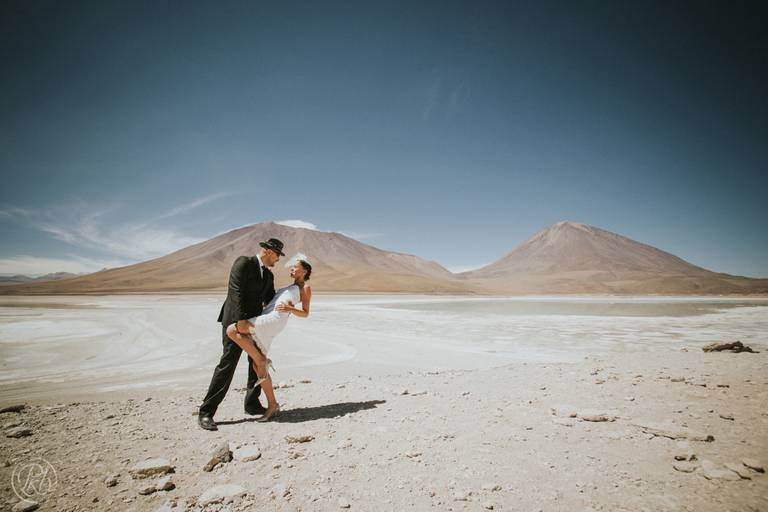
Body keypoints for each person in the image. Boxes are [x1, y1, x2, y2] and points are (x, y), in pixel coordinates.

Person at [198, 238, 285, 431]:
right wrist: (239, 321)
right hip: (235, 323)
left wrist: (291, 295)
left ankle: (251, 404)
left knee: (256, 362)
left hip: (254, 325)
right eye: (278, 256)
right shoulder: (244, 263)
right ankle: (206, 412)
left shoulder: (268, 276)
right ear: (269, 251)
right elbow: (235, 291)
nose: (277, 260)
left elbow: (270, 299)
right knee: (228, 363)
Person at [225, 259, 312, 422]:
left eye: (296, 267)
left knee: (233, 329)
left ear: (305, 271)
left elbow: (306, 313)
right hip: (268, 316)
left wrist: (290, 309)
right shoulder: (287, 287)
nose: (292, 269)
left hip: (275, 319)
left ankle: (261, 358)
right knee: (257, 366)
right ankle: (272, 405)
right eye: (292, 267)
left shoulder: (305, 288)